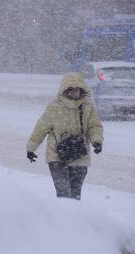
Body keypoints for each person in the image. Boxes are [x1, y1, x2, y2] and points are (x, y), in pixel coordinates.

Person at [26, 72, 103, 200]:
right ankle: (63, 218)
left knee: (75, 194)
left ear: (82, 89)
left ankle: (72, 218)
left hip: (80, 156)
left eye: (77, 89)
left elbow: (95, 126)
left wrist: (97, 141)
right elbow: (41, 128)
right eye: (70, 89)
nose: (74, 92)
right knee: (63, 193)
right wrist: (31, 148)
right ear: (65, 89)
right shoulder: (54, 106)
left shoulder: (87, 106)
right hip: (57, 156)